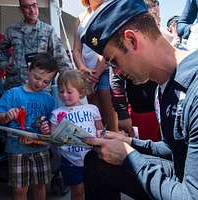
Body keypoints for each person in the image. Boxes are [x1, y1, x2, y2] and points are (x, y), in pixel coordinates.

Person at [80, 0, 198, 199]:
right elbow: (175, 149)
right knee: (98, 160)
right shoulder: (164, 87)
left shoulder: (193, 91)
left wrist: (128, 157)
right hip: (181, 174)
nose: (116, 72)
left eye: (114, 61)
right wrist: (128, 142)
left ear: (131, 40)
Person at [0, 52, 57, 200]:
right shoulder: (12, 94)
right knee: (19, 190)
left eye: (46, 82)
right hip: (17, 150)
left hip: (41, 149)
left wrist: (48, 128)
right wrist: (6, 116)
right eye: (37, 77)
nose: (40, 83)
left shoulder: (49, 100)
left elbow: (51, 125)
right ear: (29, 69)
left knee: (40, 186)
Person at [41, 70, 103, 200]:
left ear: (80, 92)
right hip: (70, 160)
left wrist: (99, 138)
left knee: (95, 189)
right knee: (77, 191)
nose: (64, 95)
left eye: (69, 92)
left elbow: (100, 130)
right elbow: (54, 138)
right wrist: (48, 132)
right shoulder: (56, 113)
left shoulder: (92, 109)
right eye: (61, 91)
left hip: (92, 158)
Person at [0, 0, 72, 90]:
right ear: (21, 9)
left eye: (34, 5)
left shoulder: (48, 31)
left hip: (40, 89)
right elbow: (0, 51)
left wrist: (69, 82)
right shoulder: (12, 30)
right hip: (16, 86)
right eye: (27, 7)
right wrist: (4, 64)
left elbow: (61, 58)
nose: (32, 10)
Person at [73, 0, 118, 131]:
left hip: (105, 70)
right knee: (95, 115)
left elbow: (109, 48)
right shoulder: (80, 18)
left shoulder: (109, 11)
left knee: (109, 115)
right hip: (86, 73)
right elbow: (76, 49)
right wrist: (82, 69)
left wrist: (95, 76)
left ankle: (118, 145)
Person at [110, 68, 160, 140]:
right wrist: (123, 115)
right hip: (141, 111)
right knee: (145, 147)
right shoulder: (121, 62)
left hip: (162, 105)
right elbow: (116, 81)